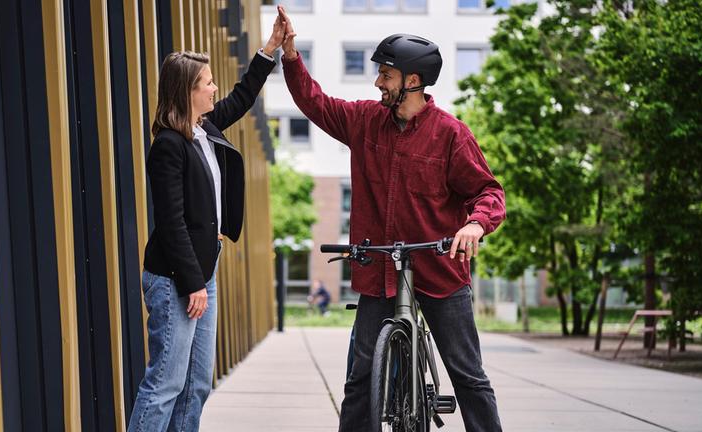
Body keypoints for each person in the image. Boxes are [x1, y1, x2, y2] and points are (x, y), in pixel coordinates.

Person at [278, 6, 505, 432]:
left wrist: (475, 223)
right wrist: (291, 56)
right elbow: (316, 102)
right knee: (360, 379)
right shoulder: (365, 120)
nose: (378, 82)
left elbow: (489, 191)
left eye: (386, 74)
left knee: (469, 378)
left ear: (412, 81)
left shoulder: (451, 135)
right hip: (379, 268)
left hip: (440, 271)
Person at [127, 15, 287, 432]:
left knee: (197, 384)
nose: (215, 88)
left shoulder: (203, 130)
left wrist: (270, 49)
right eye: (208, 82)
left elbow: (242, 96)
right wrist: (192, 282)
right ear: (188, 91)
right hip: (176, 279)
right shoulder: (168, 145)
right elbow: (171, 221)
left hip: (203, 274)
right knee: (165, 383)